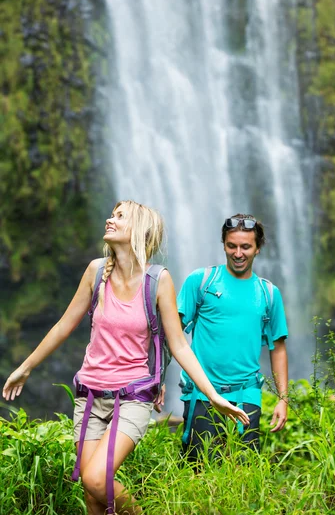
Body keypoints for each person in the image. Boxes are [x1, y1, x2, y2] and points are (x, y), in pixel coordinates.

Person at [2, 200, 249, 515]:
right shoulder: (95, 272)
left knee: (95, 478)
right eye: (111, 214)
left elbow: (180, 345)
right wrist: (25, 367)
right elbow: (64, 325)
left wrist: (212, 395)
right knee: (93, 496)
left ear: (139, 231)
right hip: (89, 397)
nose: (110, 219)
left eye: (120, 217)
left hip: (131, 398)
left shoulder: (158, 280)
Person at [178, 214, 288, 462]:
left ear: (257, 248)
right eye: (232, 246)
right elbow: (172, 336)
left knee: (244, 475)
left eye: (246, 247)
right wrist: (157, 379)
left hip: (246, 394)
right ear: (224, 245)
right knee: (200, 472)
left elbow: (278, 347)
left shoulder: (269, 293)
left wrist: (283, 399)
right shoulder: (202, 282)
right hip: (203, 394)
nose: (238, 253)